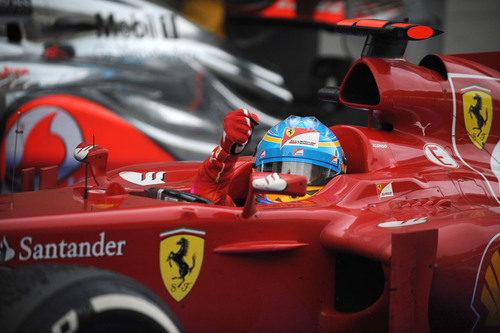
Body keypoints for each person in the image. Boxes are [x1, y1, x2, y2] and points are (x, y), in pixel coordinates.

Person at [190, 109, 346, 205]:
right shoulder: (244, 215)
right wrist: (226, 151)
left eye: (309, 173)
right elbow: (207, 198)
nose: (290, 180)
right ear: (257, 169)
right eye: (279, 169)